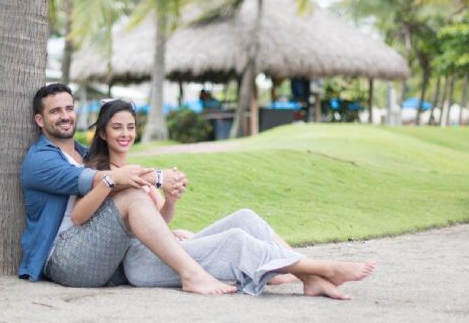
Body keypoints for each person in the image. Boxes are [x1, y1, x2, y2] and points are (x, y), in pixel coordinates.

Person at [73, 99, 376, 299]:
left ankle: (309, 275)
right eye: (117, 128)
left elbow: (155, 224)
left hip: (165, 249)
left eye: (130, 127)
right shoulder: (101, 173)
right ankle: (321, 269)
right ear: (102, 133)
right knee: (234, 240)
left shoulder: (139, 170)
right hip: (140, 264)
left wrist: (171, 200)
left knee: (245, 217)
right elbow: (102, 224)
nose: (125, 134)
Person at [19, 83, 236, 295]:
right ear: (40, 120)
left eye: (69, 108)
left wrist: (167, 203)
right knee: (131, 195)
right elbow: (93, 180)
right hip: (62, 258)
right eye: (55, 111)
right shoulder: (40, 160)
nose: (65, 116)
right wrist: (157, 176)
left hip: (97, 250)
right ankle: (191, 275)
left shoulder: (85, 155)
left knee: (189, 235)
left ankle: (241, 264)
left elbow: (111, 186)